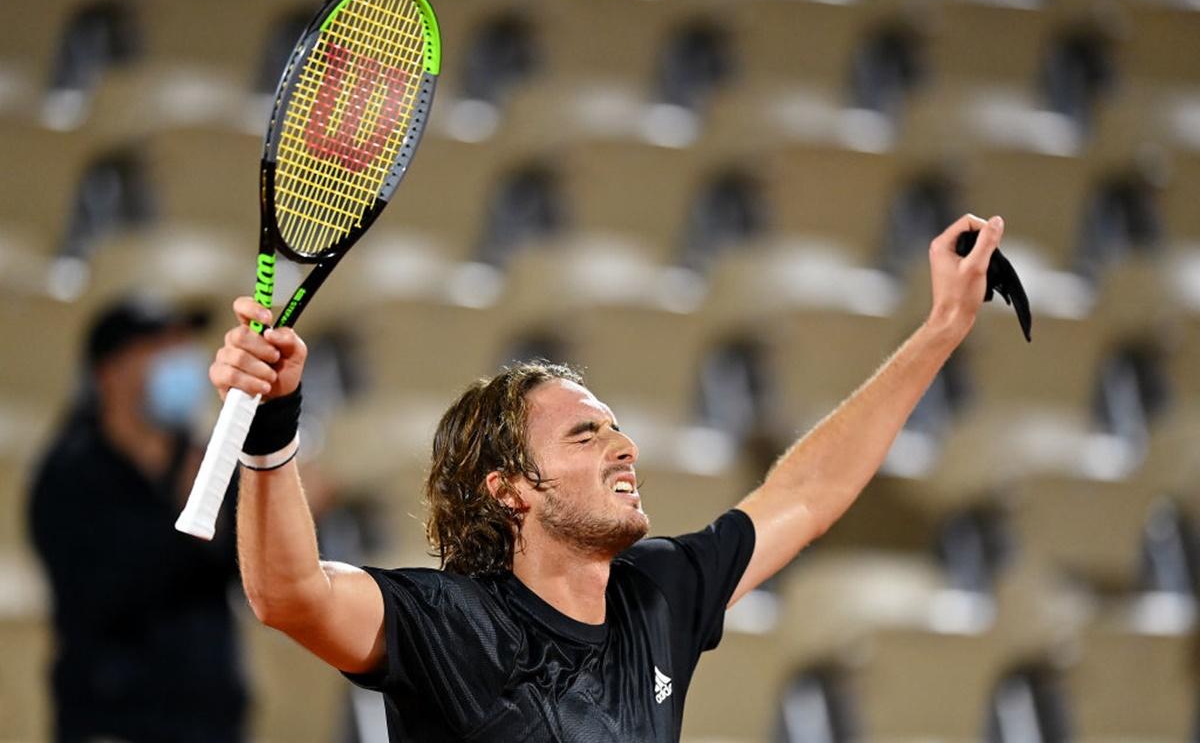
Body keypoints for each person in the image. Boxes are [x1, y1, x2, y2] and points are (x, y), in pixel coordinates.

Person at [210, 214, 1007, 741]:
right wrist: (273, 425)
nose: (623, 447)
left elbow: (807, 493)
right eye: (587, 434)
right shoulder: (449, 621)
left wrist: (940, 331)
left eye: (618, 428)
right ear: (509, 488)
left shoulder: (659, 591)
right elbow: (289, 595)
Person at [29, 296, 247, 743]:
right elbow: (107, 587)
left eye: (184, 344)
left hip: (212, 722)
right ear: (108, 373)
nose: (182, 360)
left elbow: (243, 571)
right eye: (160, 346)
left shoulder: (203, 460)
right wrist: (193, 520)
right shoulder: (71, 472)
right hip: (111, 721)